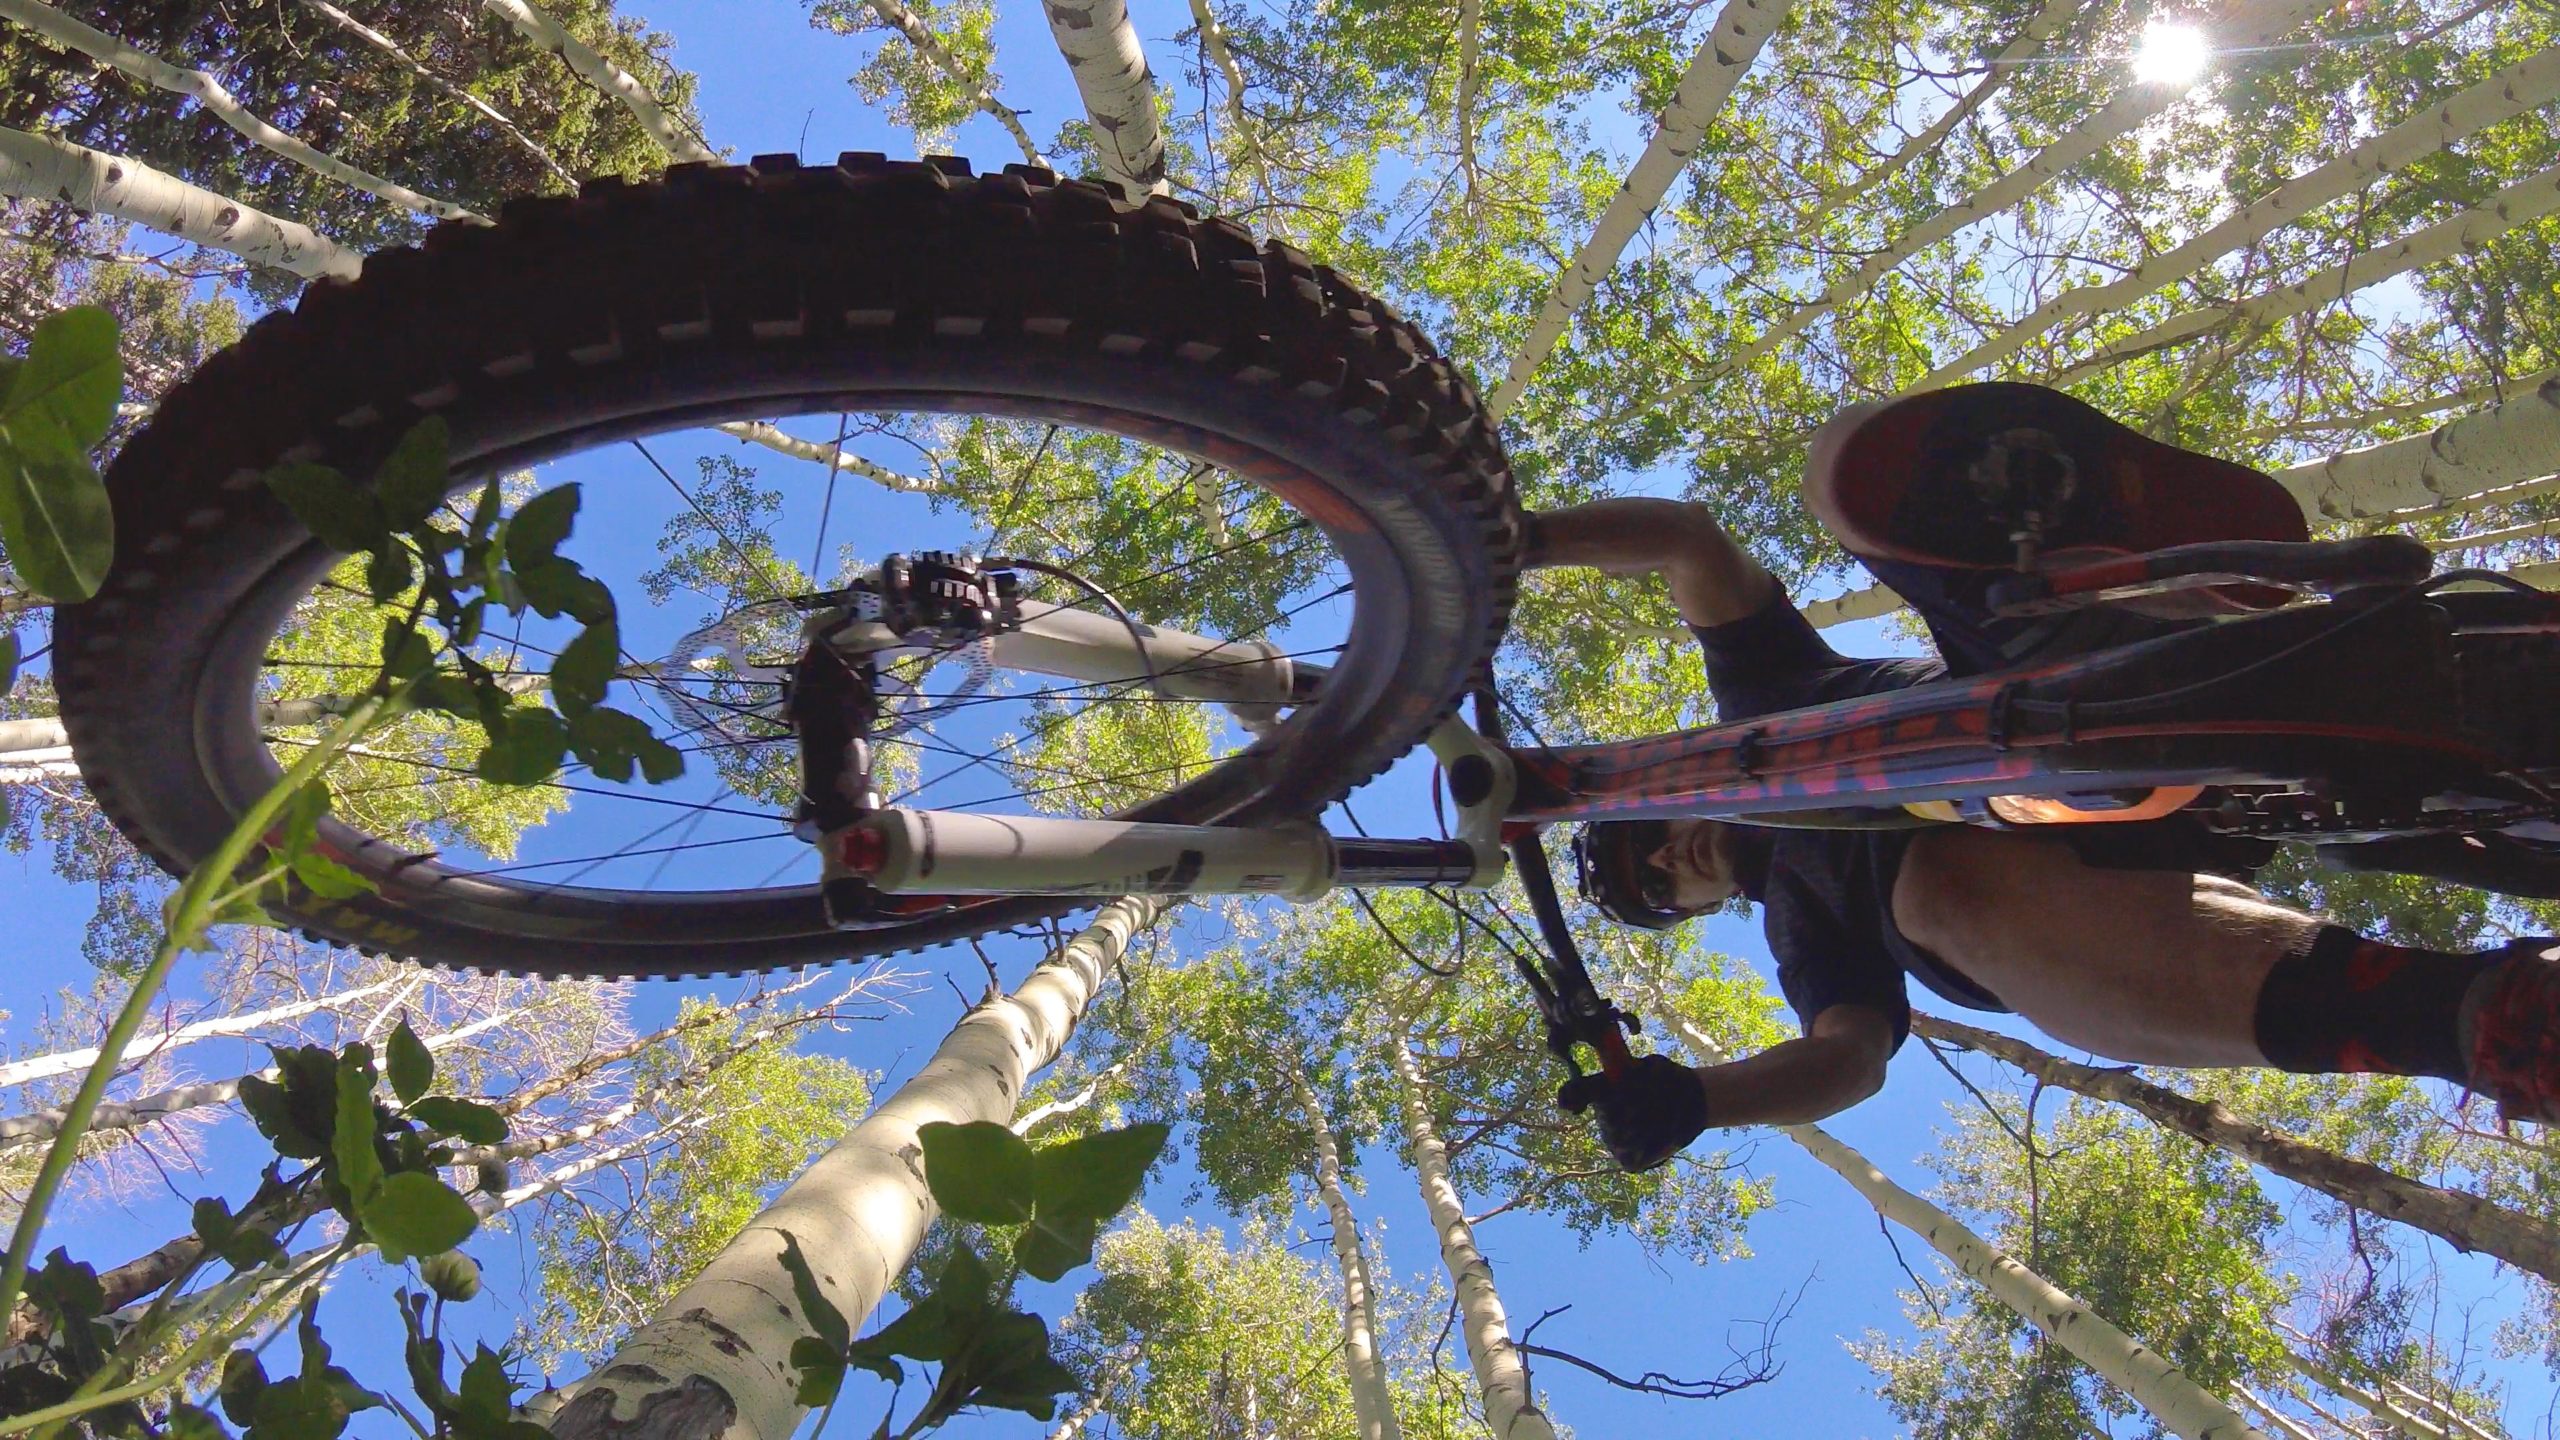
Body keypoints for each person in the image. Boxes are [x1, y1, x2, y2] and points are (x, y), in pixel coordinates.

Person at [1534, 382, 2560, 1172]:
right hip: (2133, 856)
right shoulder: (1804, 926)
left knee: (1852, 474)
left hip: (2062, 680)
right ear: (1699, 905)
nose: (1669, 854)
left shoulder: (1757, 695)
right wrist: (1703, 1099)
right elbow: (1847, 1058)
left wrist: (1509, 546)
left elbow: (1682, 539)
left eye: (1646, 833)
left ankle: (2059, 548)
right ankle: (2467, 1018)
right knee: (1936, 893)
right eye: (1658, 883)